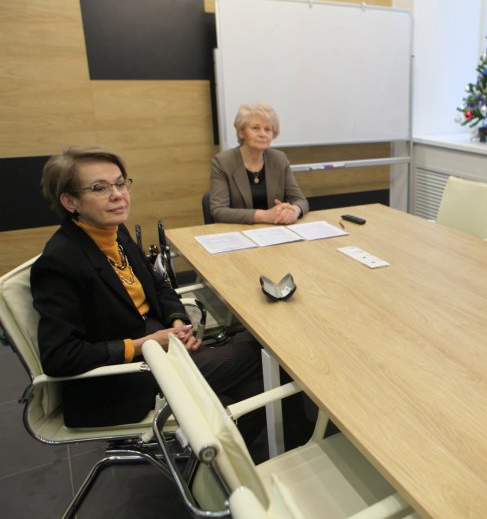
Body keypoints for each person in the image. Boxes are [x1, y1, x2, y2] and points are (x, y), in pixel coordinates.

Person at [31, 146, 265, 455]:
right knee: (260, 353)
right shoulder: (60, 262)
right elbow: (59, 356)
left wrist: (178, 322)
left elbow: (157, 285)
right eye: (100, 188)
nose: (118, 195)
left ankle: (221, 462)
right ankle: (214, 464)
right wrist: (146, 345)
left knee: (255, 388)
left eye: (120, 183)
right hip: (125, 380)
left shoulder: (114, 231)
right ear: (70, 201)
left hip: (161, 350)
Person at [210, 103, 309, 224]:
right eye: (255, 128)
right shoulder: (223, 162)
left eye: (268, 129)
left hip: (275, 229)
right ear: (241, 132)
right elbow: (218, 211)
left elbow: (300, 200)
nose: (263, 134)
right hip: (239, 230)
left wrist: (294, 211)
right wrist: (265, 215)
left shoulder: (279, 159)